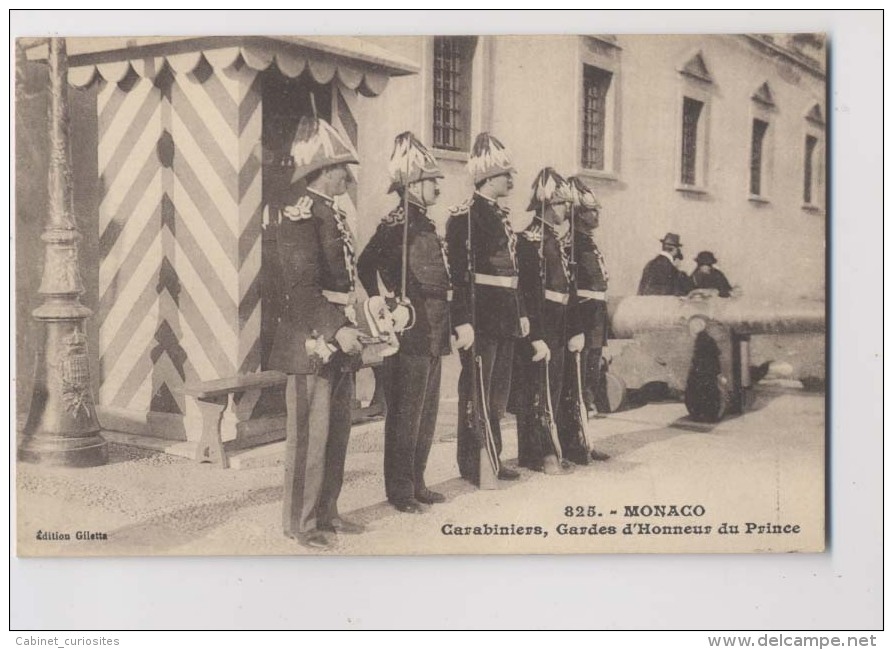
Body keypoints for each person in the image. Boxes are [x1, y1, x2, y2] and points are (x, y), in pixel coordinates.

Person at [268, 115, 365, 550]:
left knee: (338, 431)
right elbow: (301, 288)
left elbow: (342, 283)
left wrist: (353, 323)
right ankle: (300, 522)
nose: (349, 174)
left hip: (339, 335)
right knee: (310, 436)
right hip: (311, 339)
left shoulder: (334, 214)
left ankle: (327, 511)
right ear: (323, 171)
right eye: (343, 167)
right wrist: (337, 328)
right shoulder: (300, 215)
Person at [357, 132, 452, 514]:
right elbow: (366, 266)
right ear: (413, 183)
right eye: (432, 181)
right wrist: (387, 302)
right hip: (410, 331)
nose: (437, 188)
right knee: (405, 414)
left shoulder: (425, 223)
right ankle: (400, 490)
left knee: (426, 413)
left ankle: (418, 481)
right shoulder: (397, 224)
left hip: (434, 330)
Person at [446, 133, 526, 485]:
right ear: (488, 178)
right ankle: (474, 464)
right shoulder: (466, 217)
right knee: (476, 393)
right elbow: (459, 276)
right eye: (506, 174)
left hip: (504, 316)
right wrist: (461, 320)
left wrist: (520, 311)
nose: (511, 180)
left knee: (497, 395)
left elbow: (513, 271)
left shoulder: (499, 214)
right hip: (480, 318)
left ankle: (492, 457)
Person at [510, 168, 578, 475]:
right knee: (535, 388)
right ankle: (536, 452)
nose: (567, 209)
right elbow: (526, 292)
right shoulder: (530, 240)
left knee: (553, 386)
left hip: (559, 320)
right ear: (549, 203)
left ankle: (548, 447)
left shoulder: (554, 238)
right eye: (562, 204)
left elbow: (567, 288)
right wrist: (535, 333)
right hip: (542, 321)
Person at [566, 176, 610, 415]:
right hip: (583, 314)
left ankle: (586, 434)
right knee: (580, 377)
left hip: (596, 315)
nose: (597, 216)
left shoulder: (588, 243)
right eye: (592, 211)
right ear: (580, 214)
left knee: (591, 374)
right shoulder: (572, 244)